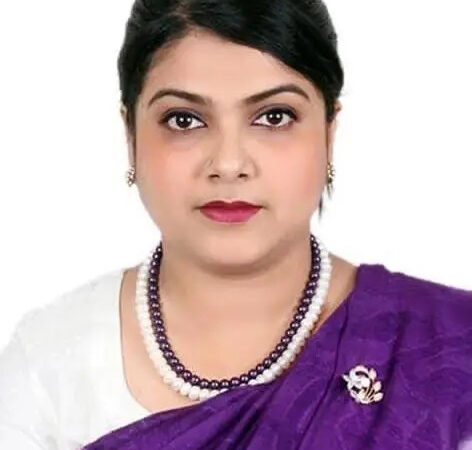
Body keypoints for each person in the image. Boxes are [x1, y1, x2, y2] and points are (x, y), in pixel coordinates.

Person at [1, 0, 471, 448]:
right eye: (184, 120)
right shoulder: (50, 362)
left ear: (329, 133)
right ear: (131, 137)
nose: (228, 164)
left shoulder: (450, 345)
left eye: (274, 117)